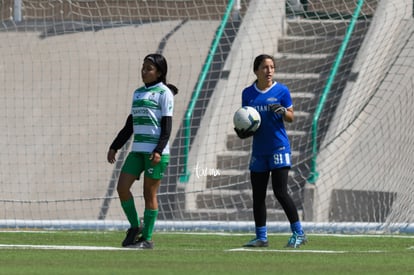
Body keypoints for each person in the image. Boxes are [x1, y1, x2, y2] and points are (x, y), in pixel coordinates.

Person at [235, 54, 307, 248]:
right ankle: (261, 237)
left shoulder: (282, 91)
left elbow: (291, 117)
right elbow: (247, 121)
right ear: (256, 70)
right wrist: (242, 132)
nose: (269, 71)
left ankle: (299, 233)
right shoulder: (248, 93)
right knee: (258, 195)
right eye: (265, 67)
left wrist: (283, 111)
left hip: (279, 147)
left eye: (272, 67)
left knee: (280, 192)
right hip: (259, 150)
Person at [107, 53, 177, 249]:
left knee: (149, 194)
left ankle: (147, 238)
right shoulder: (137, 93)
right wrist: (115, 145)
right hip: (137, 151)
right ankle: (134, 226)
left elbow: (167, 125)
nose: (144, 71)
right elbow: (130, 125)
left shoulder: (164, 93)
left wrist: (158, 149)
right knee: (122, 188)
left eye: (149, 68)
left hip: (156, 154)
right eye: (143, 67)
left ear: (159, 72)